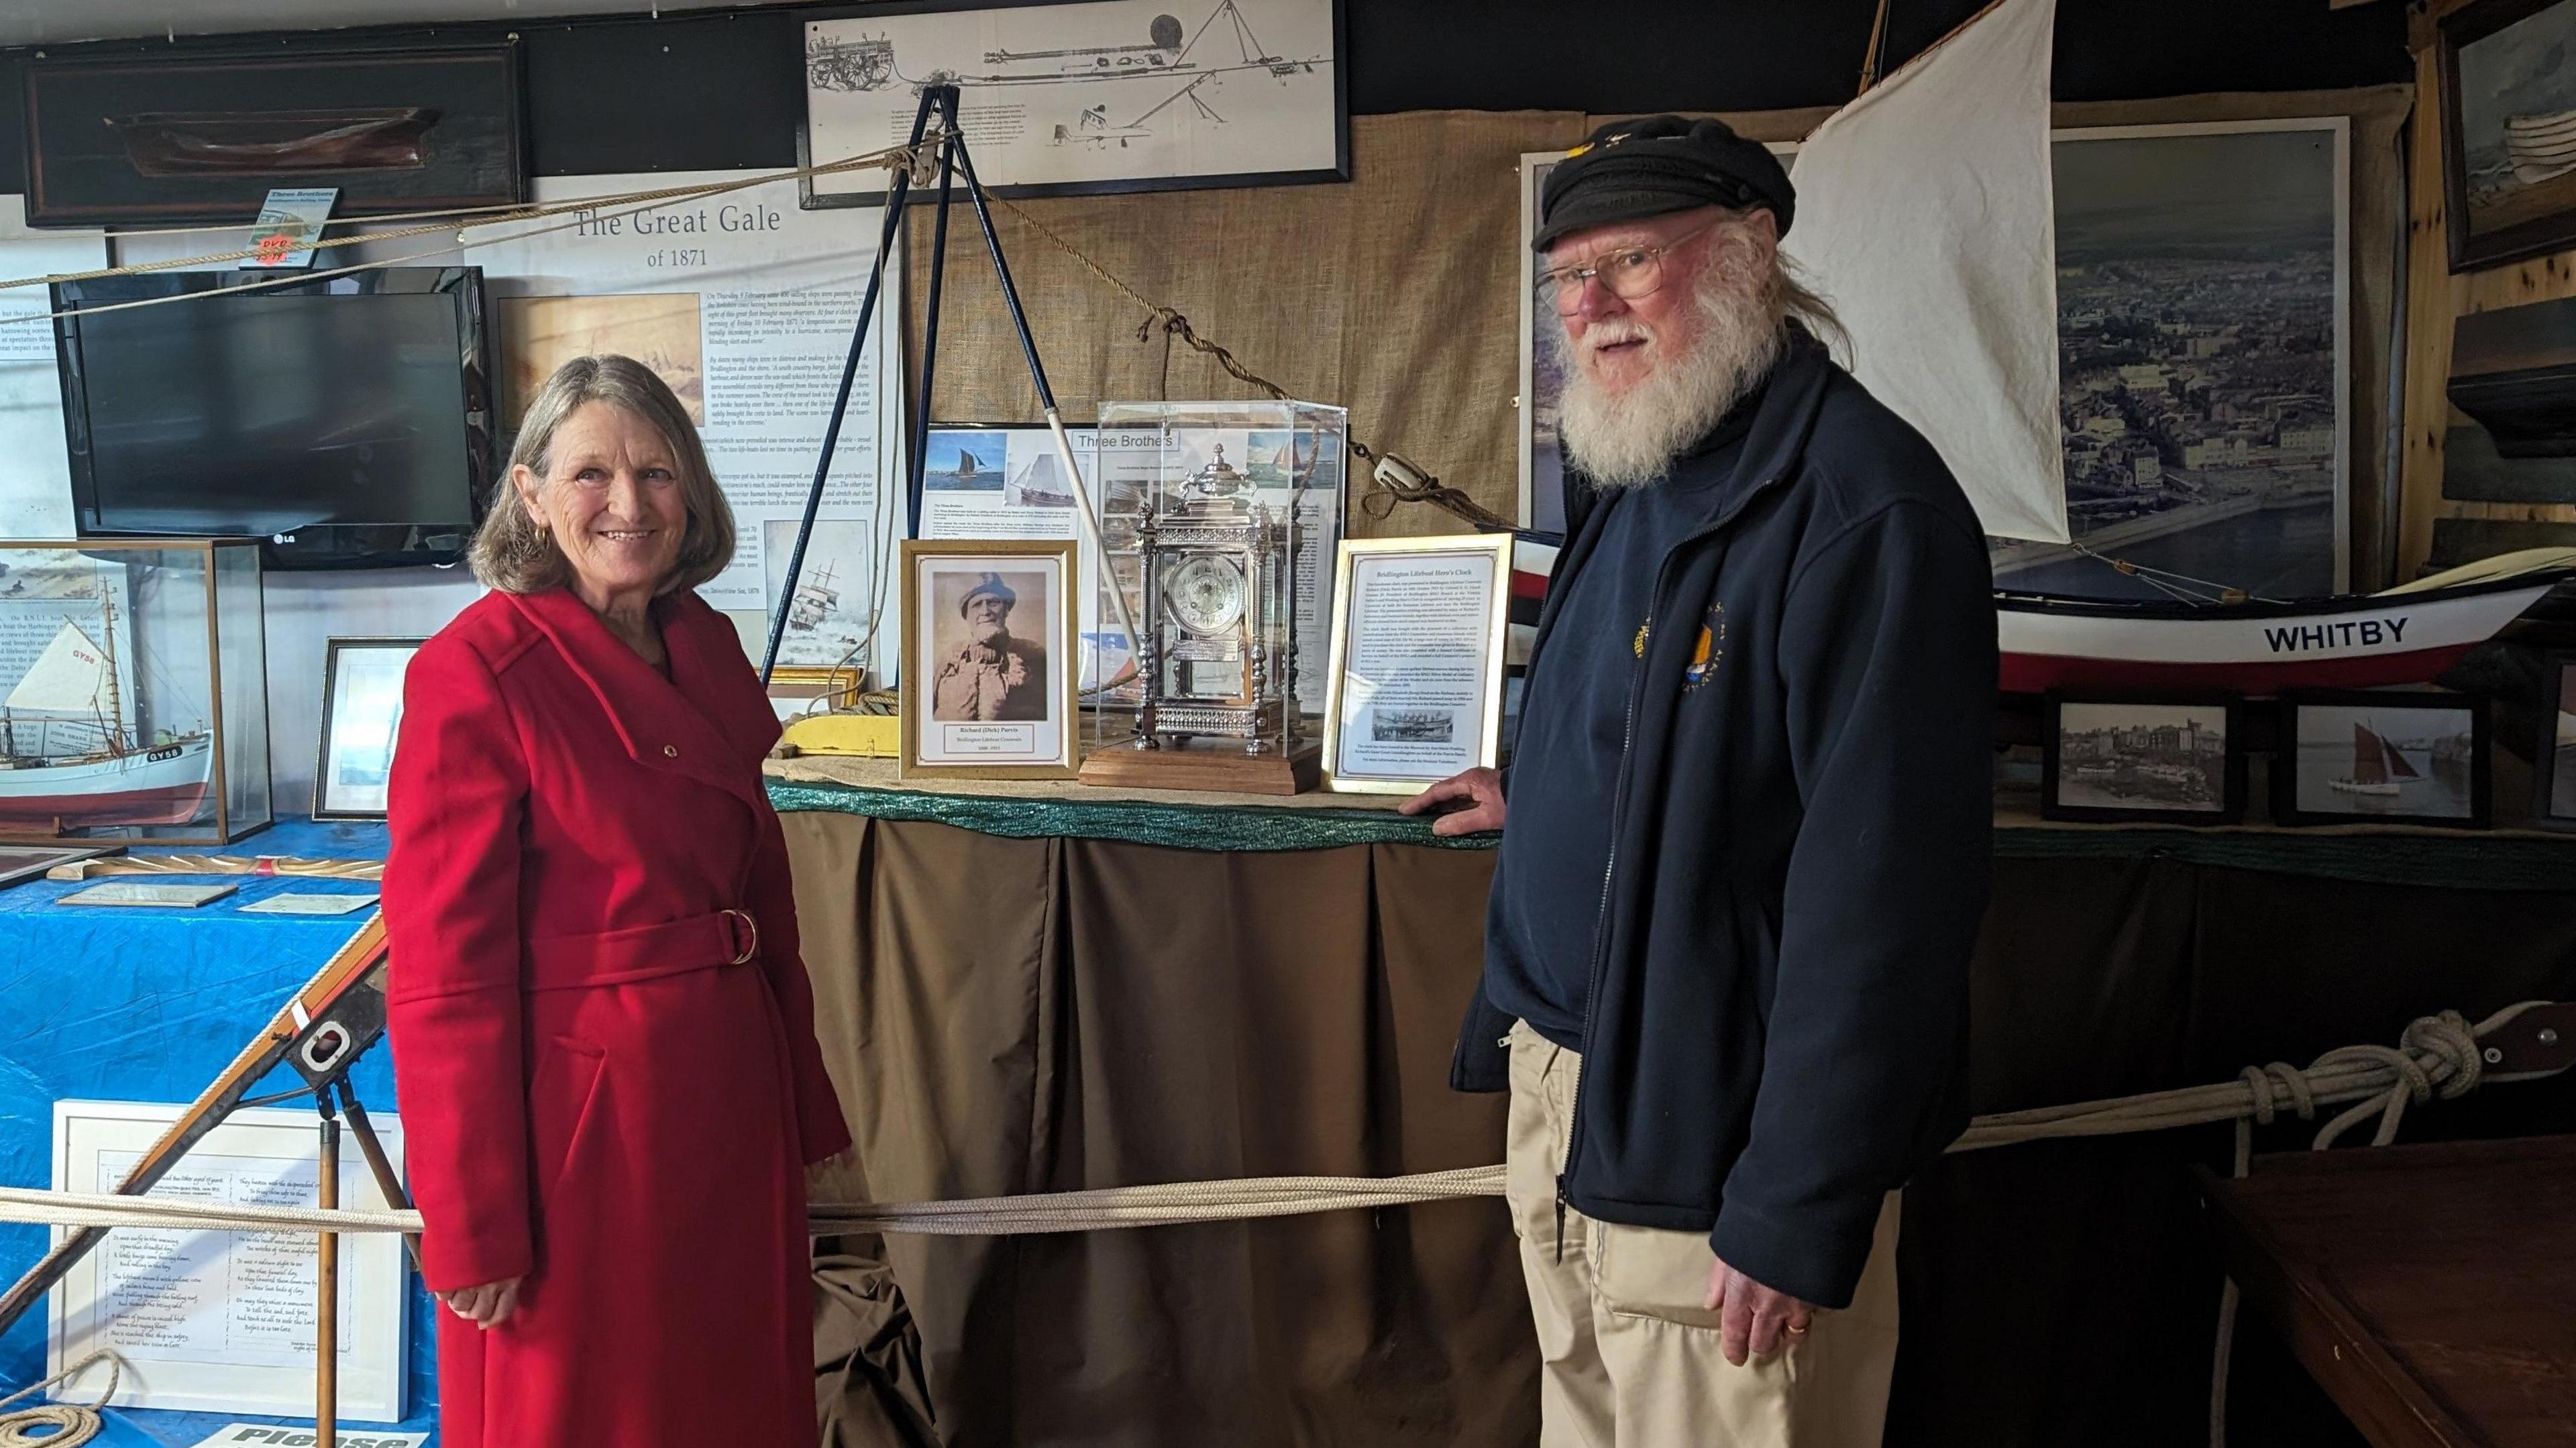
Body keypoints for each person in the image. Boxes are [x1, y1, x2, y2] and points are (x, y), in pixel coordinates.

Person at [1401, 116, 1996, 1446]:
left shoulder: (1866, 513)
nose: (1590, 305)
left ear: (1747, 253)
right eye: (1566, 275)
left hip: (1715, 1149)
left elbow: (1891, 904)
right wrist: (1545, 793)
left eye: (1629, 262)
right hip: (1570, 1100)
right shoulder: (1638, 453)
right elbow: (1648, 707)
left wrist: (1795, 1204)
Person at [384, 355, 852, 1448]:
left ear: (693, 495)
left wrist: (806, 1110)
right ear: (532, 493)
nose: (629, 503)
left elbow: (763, 906)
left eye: (657, 471)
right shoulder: (475, 670)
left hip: (728, 1103)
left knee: (733, 1402)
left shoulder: (709, 645)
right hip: (581, 1142)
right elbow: (445, 976)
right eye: (591, 472)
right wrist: (473, 1220)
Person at [930, 572, 1049, 721]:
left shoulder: (1033, 654)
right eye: (977, 605)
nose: (985, 611)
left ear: (1006, 610)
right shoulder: (949, 657)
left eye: (993, 602)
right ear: (967, 616)